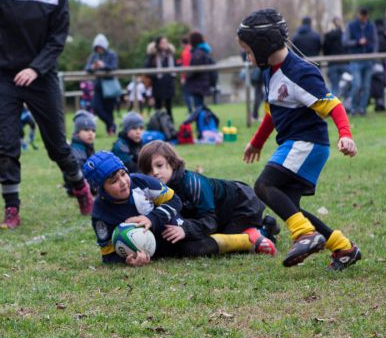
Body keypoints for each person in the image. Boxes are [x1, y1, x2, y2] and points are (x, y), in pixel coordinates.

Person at [238, 8, 362, 270]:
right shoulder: (269, 72)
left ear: (262, 46)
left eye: (248, 51)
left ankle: (305, 235)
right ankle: (343, 248)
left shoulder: (300, 72)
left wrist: (346, 135)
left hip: (306, 143)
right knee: (290, 207)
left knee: (264, 186)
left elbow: (333, 105)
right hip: (296, 144)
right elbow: (273, 110)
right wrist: (257, 141)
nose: (247, 58)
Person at [0, 0, 94, 229]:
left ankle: (81, 189)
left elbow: (57, 39)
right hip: (6, 77)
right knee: (5, 146)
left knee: (56, 145)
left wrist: (35, 68)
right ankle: (12, 209)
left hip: (42, 76)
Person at [83, 152, 273, 266]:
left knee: (194, 247)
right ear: (100, 189)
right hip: (152, 245)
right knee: (176, 251)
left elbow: (175, 201)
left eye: (122, 174)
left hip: (168, 224)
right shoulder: (100, 214)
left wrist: (152, 219)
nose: (123, 182)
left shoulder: (141, 182)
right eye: (113, 181)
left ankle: (248, 239)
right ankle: (263, 229)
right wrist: (128, 258)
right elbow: (108, 256)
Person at [138, 140, 279, 254]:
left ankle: (264, 229)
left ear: (172, 163)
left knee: (204, 245)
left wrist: (185, 229)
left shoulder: (193, 183)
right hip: (218, 217)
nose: (155, 173)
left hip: (242, 205)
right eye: (149, 170)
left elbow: (210, 222)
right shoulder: (152, 191)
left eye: (159, 165)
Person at [343, 7, 378, 116]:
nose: (363, 17)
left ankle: (362, 108)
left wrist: (373, 54)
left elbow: (375, 41)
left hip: (368, 59)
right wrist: (357, 42)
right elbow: (345, 41)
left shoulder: (371, 26)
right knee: (357, 84)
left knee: (366, 86)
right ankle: (353, 108)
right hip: (356, 59)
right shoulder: (351, 25)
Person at [85, 33, 119, 135]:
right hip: (98, 87)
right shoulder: (94, 55)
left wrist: (103, 65)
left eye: (100, 47)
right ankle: (112, 124)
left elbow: (114, 66)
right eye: (97, 47)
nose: (99, 49)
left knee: (109, 110)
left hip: (109, 86)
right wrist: (93, 67)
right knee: (96, 108)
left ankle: (110, 131)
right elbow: (87, 68)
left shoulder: (112, 54)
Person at [64, 110, 96, 196]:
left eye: (93, 130)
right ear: (77, 133)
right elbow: (80, 169)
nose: (90, 133)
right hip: (77, 184)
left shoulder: (87, 146)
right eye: (86, 130)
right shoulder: (77, 149)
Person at [146, 36, 176, 121]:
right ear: (158, 44)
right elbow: (148, 68)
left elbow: (175, 67)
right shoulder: (153, 56)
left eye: (166, 42)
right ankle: (159, 124)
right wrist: (155, 77)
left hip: (169, 83)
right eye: (163, 43)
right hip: (157, 84)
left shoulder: (170, 54)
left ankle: (170, 125)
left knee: (169, 107)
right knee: (158, 107)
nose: (165, 44)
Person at [186, 32, 215, 111]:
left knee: (198, 108)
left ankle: (201, 122)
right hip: (202, 83)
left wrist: (187, 76)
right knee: (200, 106)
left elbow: (195, 69)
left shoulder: (198, 52)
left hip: (198, 84)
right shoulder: (203, 51)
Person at [322, 17, 347, 97]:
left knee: (334, 86)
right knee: (346, 84)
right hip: (344, 62)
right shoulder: (343, 34)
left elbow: (325, 49)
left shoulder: (327, 36)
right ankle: (347, 104)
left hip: (332, 63)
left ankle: (334, 107)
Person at [178, 37, 194, 113]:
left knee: (187, 94)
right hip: (192, 75)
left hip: (187, 75)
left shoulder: (185, 52)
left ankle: (190, 110)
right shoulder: (191, 50)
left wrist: (183, 77)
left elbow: (185, 65)